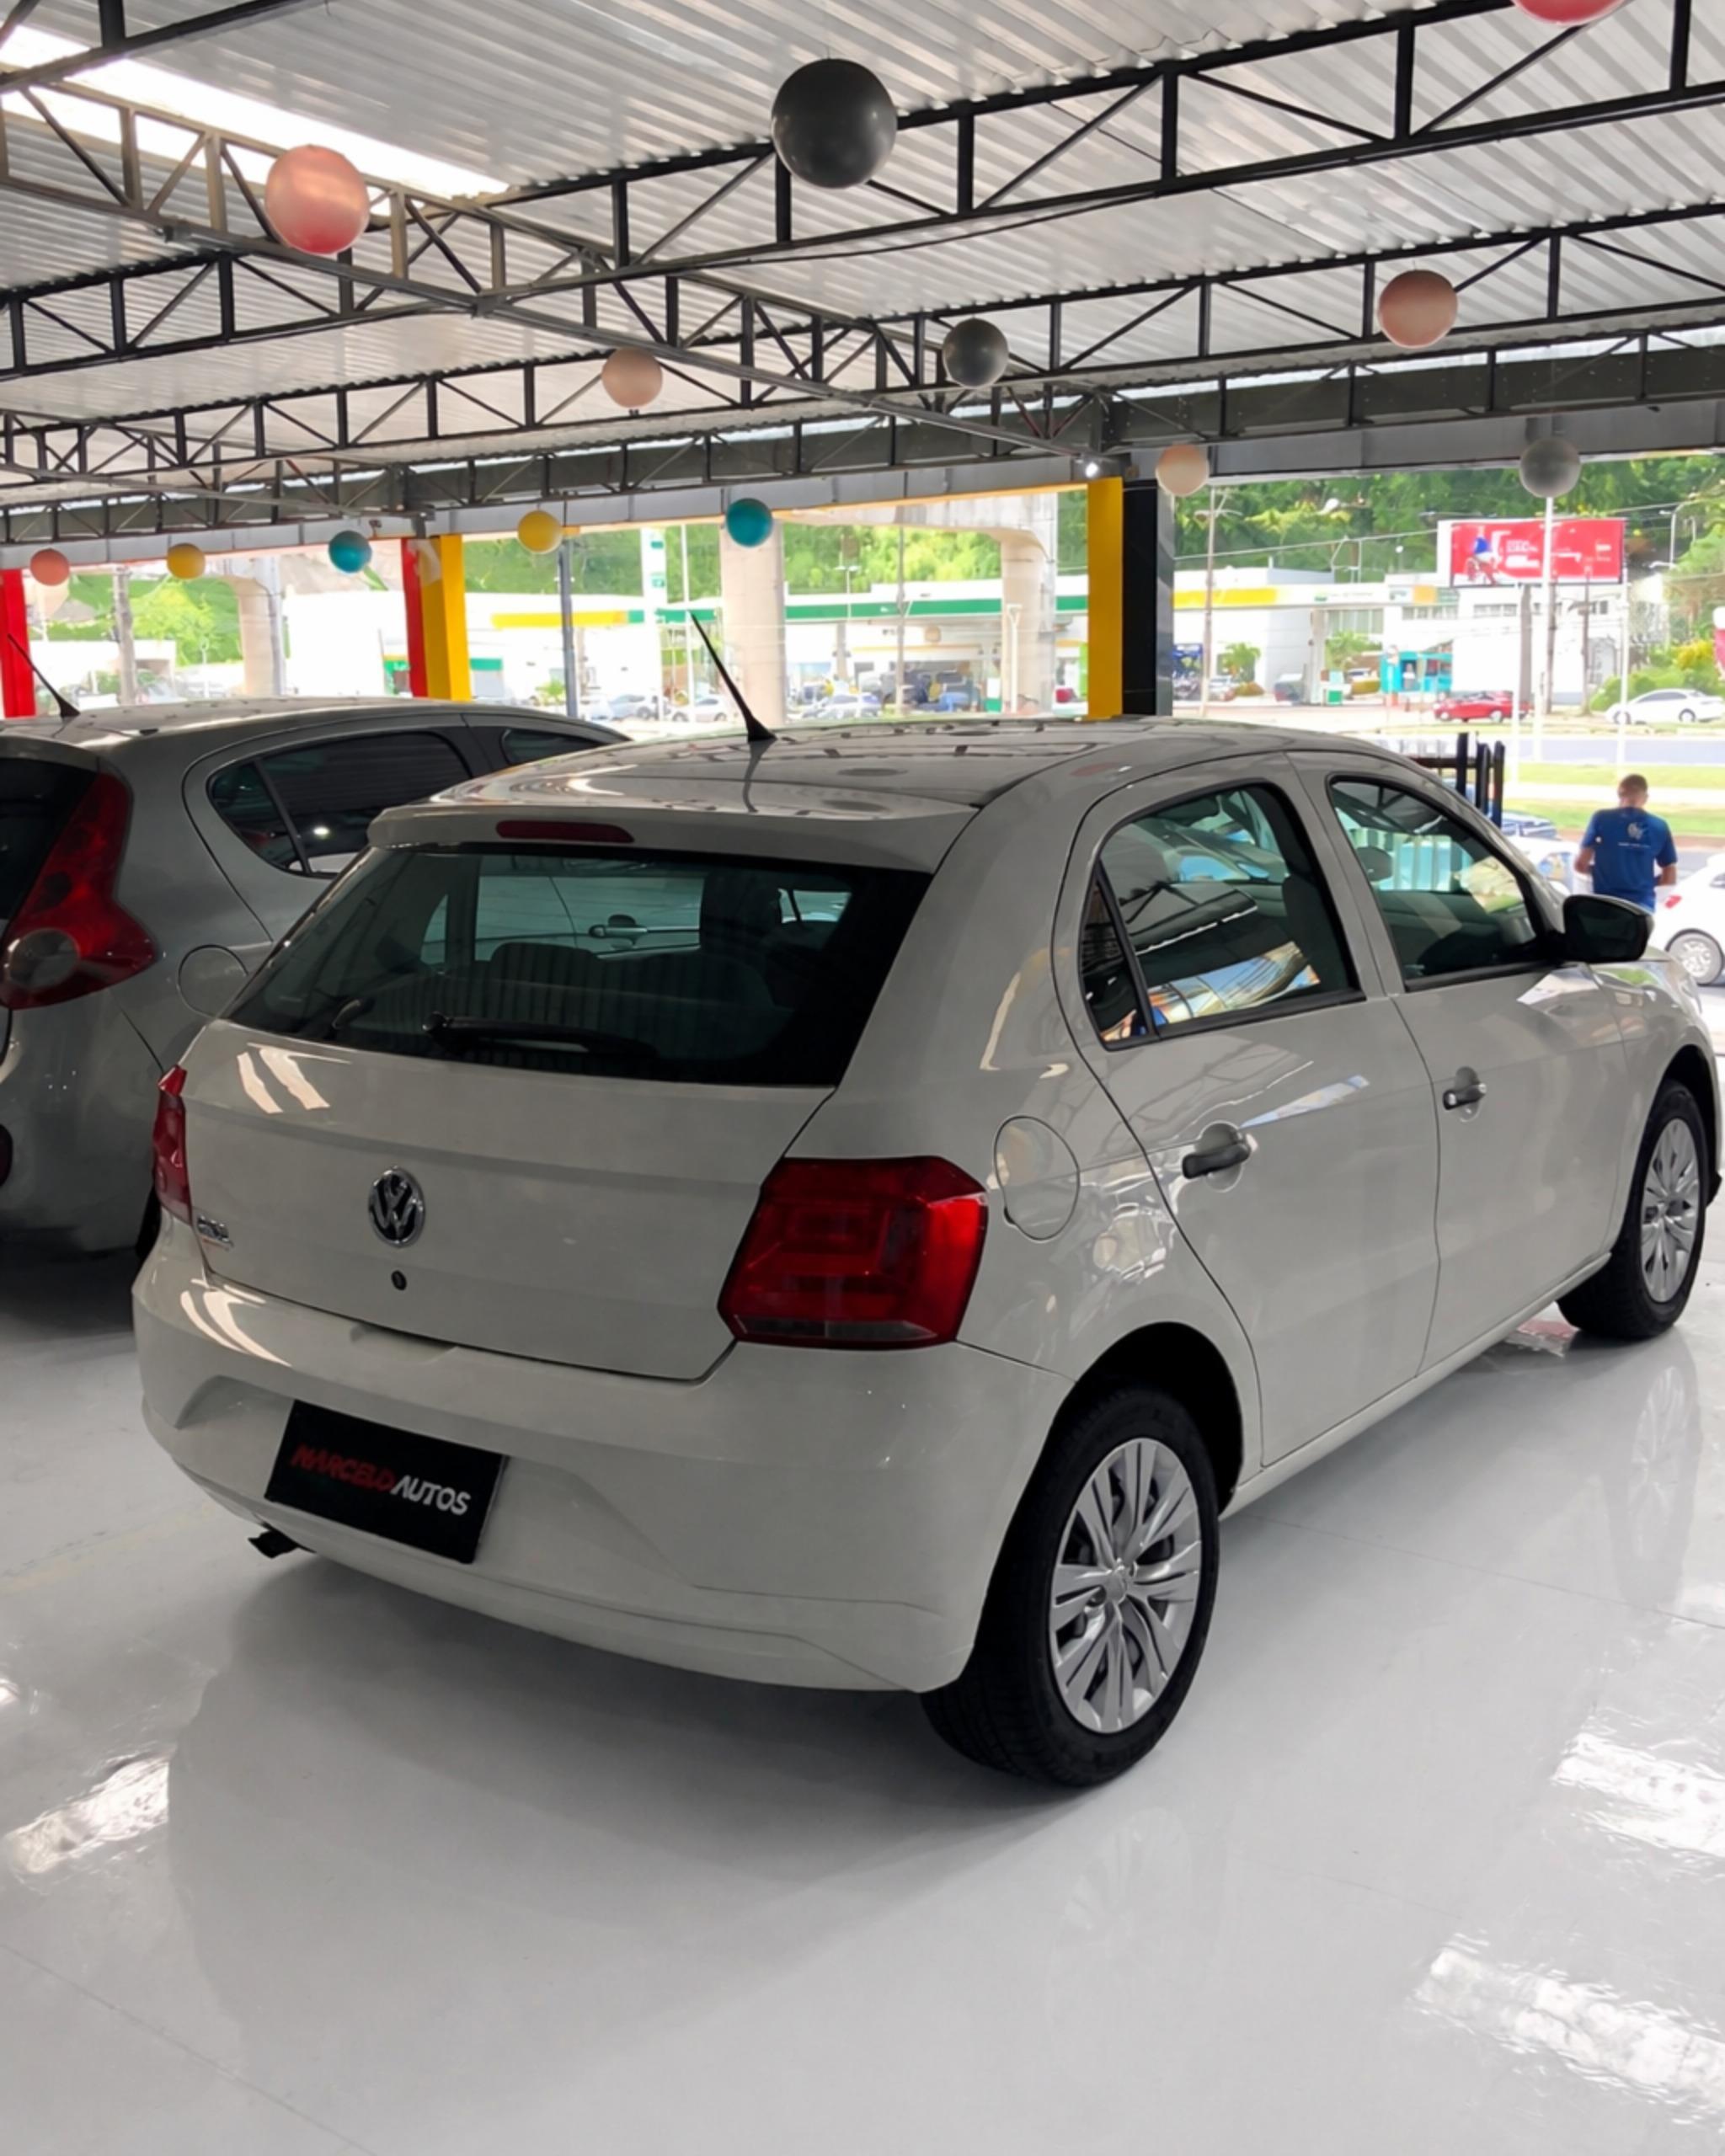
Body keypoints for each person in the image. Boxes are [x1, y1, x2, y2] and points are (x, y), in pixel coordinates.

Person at [1574, 774, 1679, 913]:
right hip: (1641, 909)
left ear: (1619, 794)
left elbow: (1580, 865)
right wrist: (1645, 883)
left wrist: (1601, 873)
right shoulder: (1659, 826)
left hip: (1604, 905)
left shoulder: (1601, 819)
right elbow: (1670, 877)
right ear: (1646, 798)